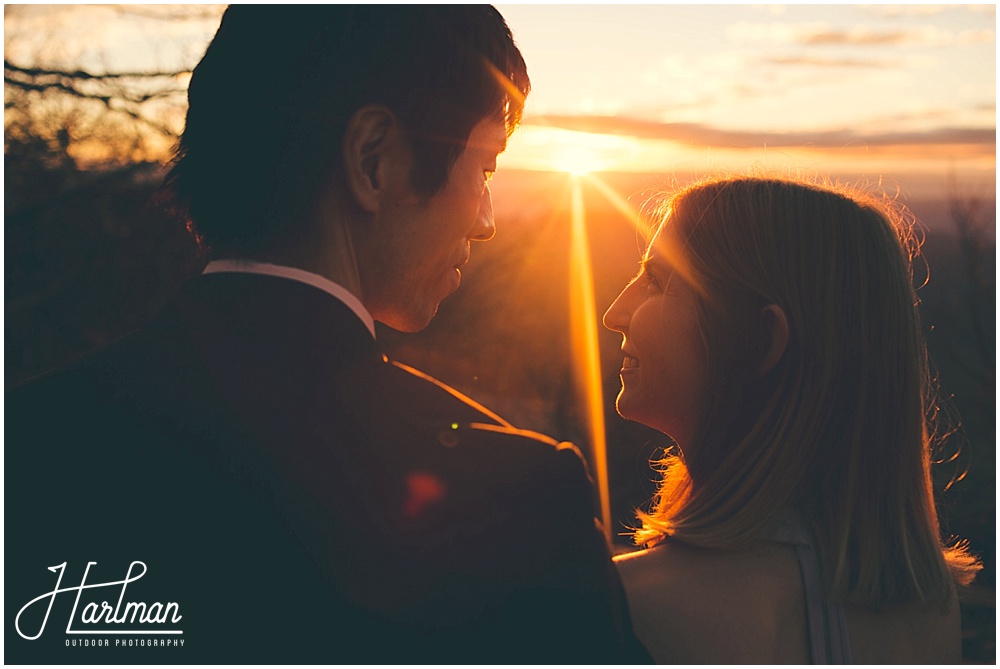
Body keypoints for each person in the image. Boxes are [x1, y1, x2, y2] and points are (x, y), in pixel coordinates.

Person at [5, 6, 645, 664]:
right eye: (483, 170)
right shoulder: (519, 499)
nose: (486, 220)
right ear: (375, 161)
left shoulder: (26, 438)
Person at [603, 176, 981, 663]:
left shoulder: (629, 604)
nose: (615, 313)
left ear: (760, 340)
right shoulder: (930, 610)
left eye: (655, 280)